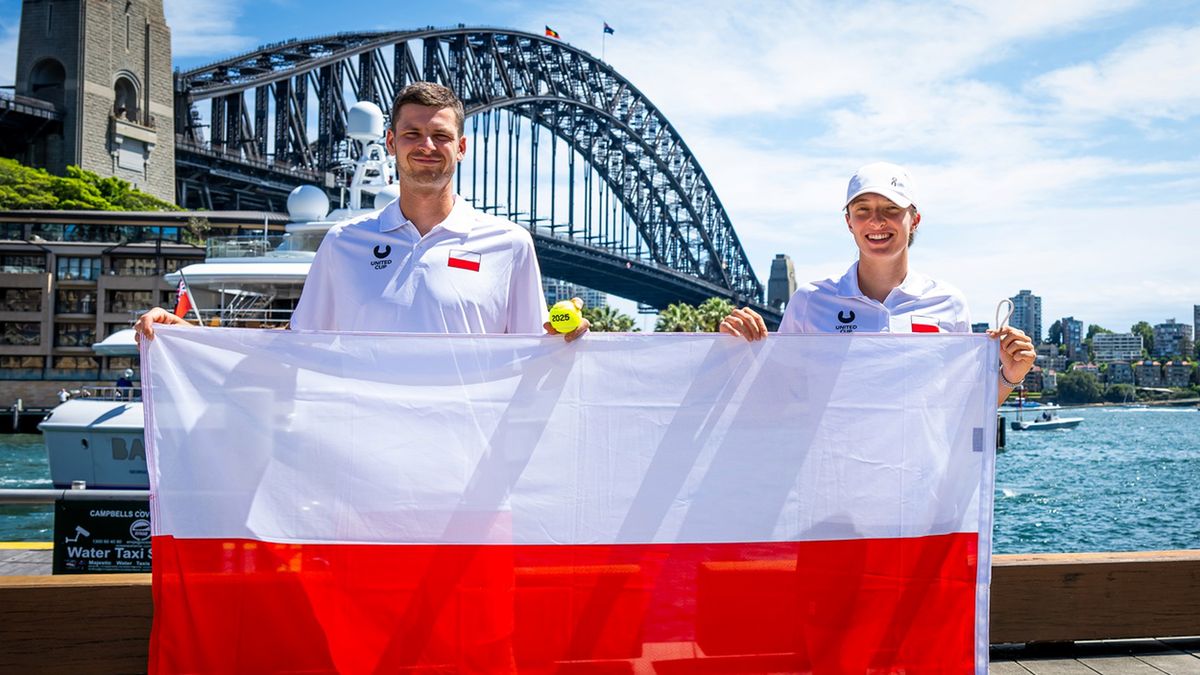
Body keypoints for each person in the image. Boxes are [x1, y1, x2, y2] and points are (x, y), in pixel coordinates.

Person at [136, 82, 588, 341]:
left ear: (463, 147)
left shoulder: (509, 244)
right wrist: (188, 337)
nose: (426, 146)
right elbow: (296, 350)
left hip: (472, 472)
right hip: (365, 472)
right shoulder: (342, 242)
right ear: (390, 142)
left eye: (442, 136)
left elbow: (532, 354)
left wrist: (565, 341)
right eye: (411, 133)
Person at [719, 161, 1034, 406]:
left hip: (918, 485)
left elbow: (961, 405)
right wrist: (735, 349)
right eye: (863, 210)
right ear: (849, 222)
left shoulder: (949, 303)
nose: (876, 221)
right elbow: (776, 397)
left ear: (915, 219)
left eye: (891, 210)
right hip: (830, 482)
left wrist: (1011, 374)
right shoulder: (809, 303)